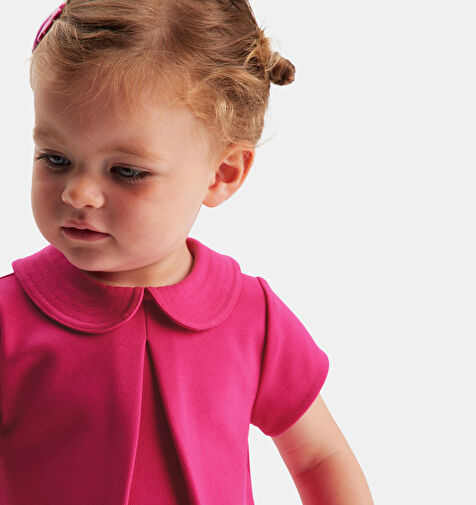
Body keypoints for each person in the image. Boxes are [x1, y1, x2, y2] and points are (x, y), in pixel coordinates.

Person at [0, 1, 374, 504]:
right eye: (55, 158)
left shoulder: (253, 317)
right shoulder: (9, 321)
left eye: (126, 171)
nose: (78, 193)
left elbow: (318, 456)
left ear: (222, 174)